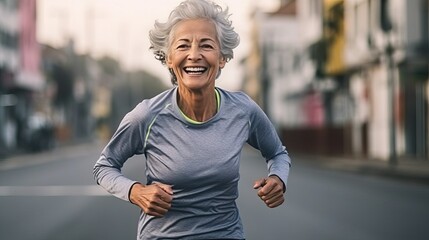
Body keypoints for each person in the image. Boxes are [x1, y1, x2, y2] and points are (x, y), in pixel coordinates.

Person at [93, 0, 292, 239]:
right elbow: (104, 167)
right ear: (169, 58)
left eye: (206, 45)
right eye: (183, 46)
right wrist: (135, 192)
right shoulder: (147, 115)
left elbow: (278, 153)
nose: (194, 55)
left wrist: (278, 179)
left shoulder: (243, 110)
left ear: (222, 58)